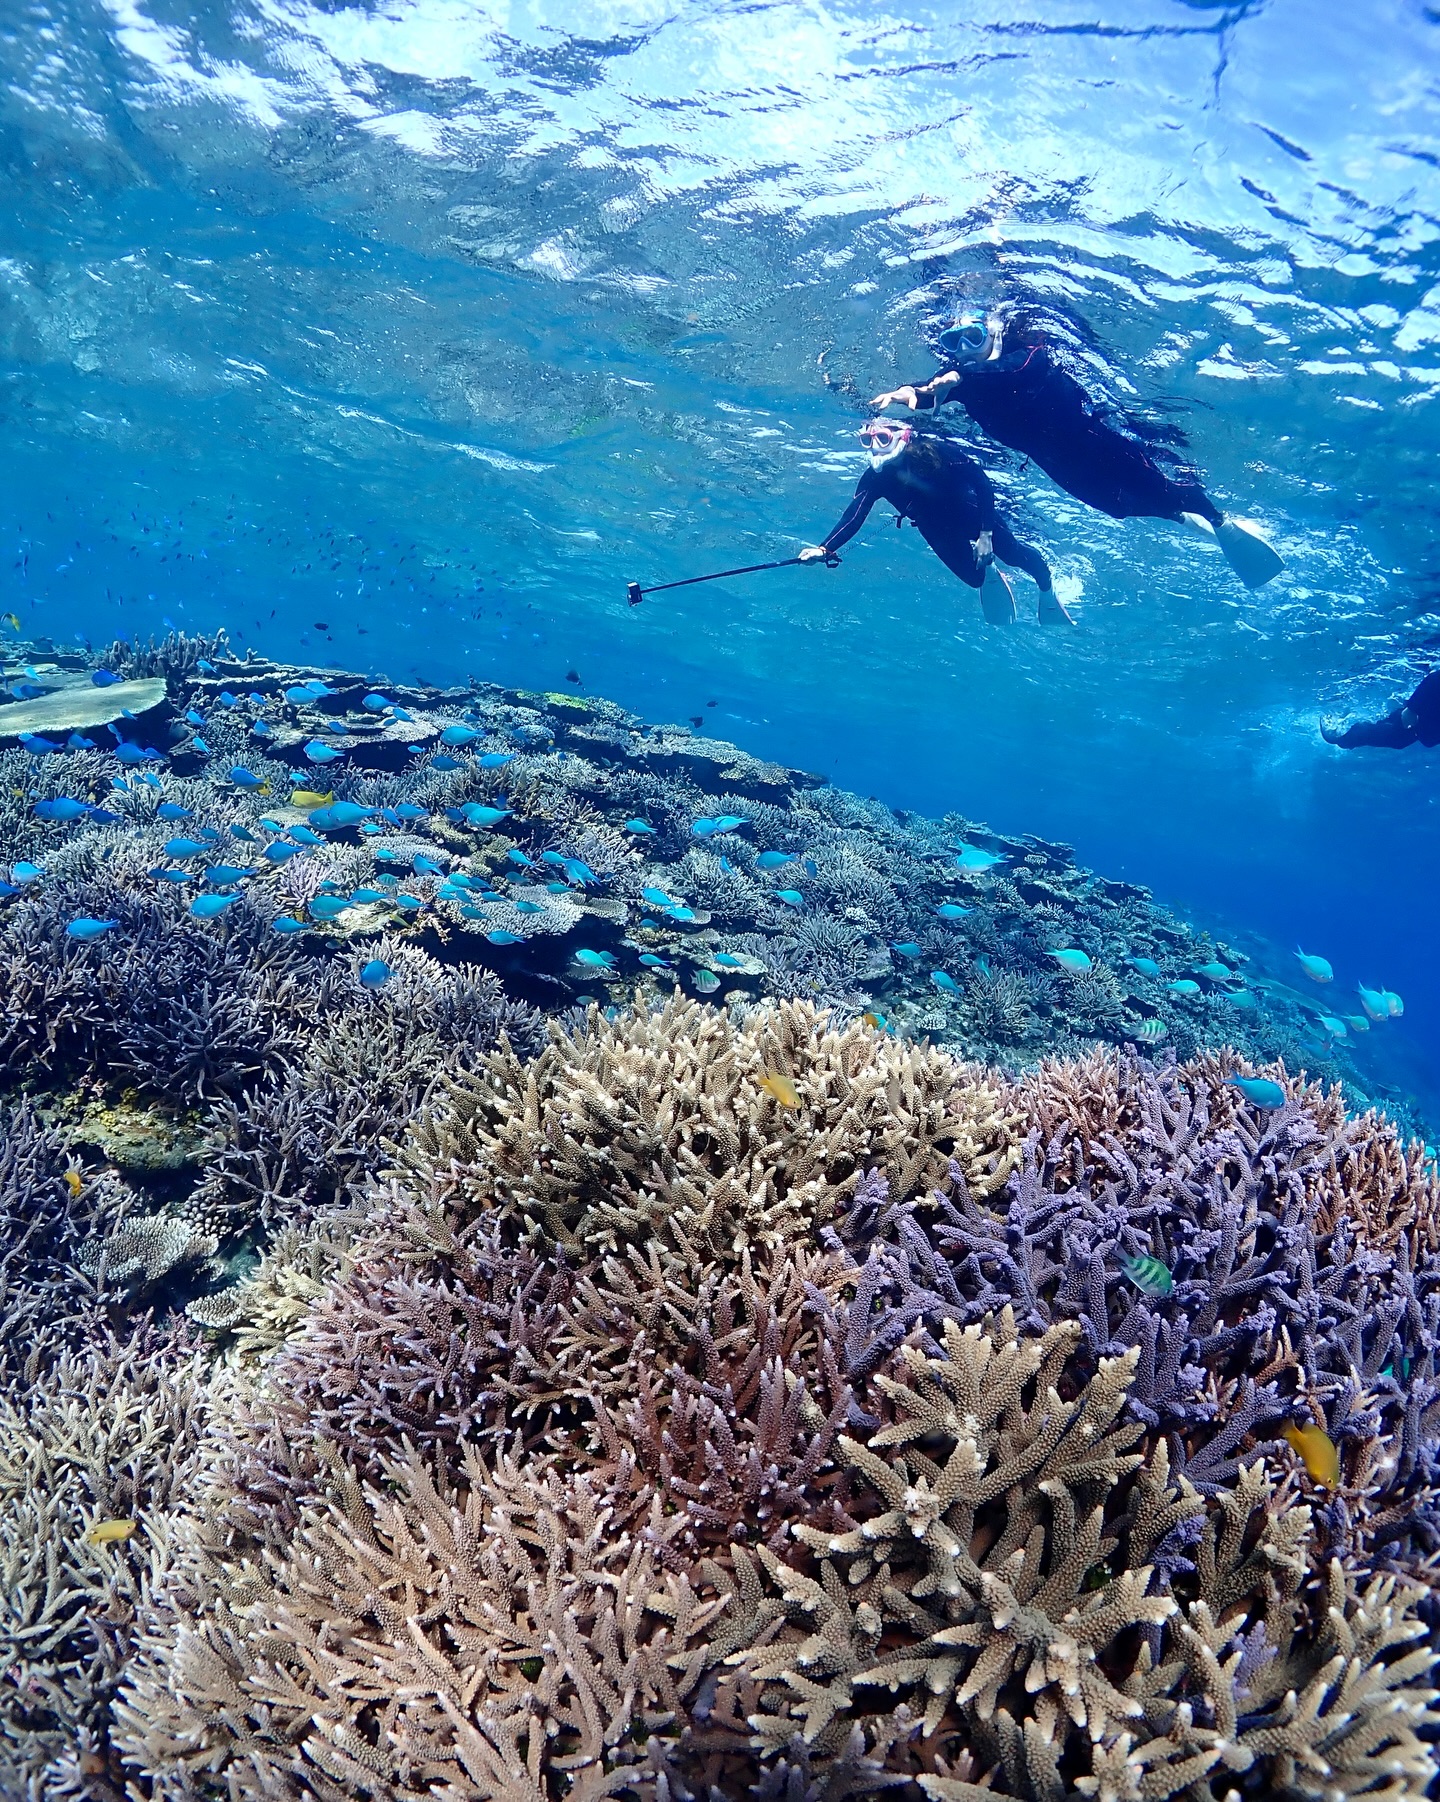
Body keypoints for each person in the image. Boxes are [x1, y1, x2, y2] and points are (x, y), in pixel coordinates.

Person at [871, 312, 1284, 590]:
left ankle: (1215, 516)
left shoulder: (1025, 353)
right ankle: (1184, 517)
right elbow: (929, 391)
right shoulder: (962, 382)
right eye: (954, 342)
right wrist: (911, 391)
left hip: (1096, 439)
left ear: (994, 334)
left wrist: (958, 375)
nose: (964, 348)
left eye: (974, 337)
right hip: (1058, 462)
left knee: (1161, 487)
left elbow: (1014, 369)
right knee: (1118, 509)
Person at [799, 417, 1071, 626]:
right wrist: (824, 549)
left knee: (1014, 555)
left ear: (901, 436)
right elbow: (855, 514)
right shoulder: (875, 477)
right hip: (935, 528)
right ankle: (988, 569)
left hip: (972, 514)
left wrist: (986, 534)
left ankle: (1047, 590)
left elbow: (981, 483)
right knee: (972, 578)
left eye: (882, 438)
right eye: (867, 441)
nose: (875, 447)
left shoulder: (939, 452)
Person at [1322, 670, 1440, 750]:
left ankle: (1344, 735)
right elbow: (1435, 678)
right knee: (1396, 735)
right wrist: (1412, 709)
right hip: (1422, 715)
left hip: (1424, 727)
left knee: (1399, 740)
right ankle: (1342, 735)